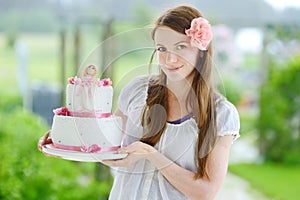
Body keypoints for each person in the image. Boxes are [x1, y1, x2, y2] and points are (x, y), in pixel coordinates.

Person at [39, 5, 240, 200]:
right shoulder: (137, 91)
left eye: (181, 47)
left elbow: (206, 192)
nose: (170, 59)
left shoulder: (221, 114)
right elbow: (109, 148)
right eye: (162, 48)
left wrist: (150, 154)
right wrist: (68, 140)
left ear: (201, 50)